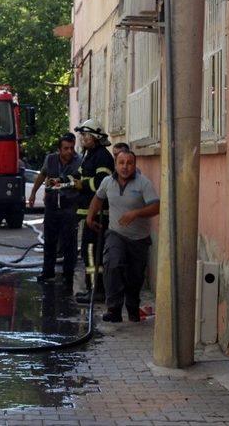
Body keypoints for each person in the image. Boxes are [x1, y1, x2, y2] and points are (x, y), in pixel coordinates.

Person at [86, 150, 159, 322]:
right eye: (121, 163)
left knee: (135, 276)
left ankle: (132, 305)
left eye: (129, 163)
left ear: (134, 165)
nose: (125, 166)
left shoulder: (143, 183)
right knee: (112, 263)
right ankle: (114, 308)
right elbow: (98, 198)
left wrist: (136, 213)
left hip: (138, 239)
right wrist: (90, 217)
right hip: (115, 233)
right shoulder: (107, 182)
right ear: (116, 165)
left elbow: (156, 207)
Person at [28, 133, 81, 285]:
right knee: (50, 241)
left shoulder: (79, 162)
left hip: (69, 206)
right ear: (59, 149)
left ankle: (67, 275)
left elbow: (80, 182)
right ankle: (47, 272)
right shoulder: (50, 159)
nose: (69, 151)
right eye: (66, 148)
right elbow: (42, 175)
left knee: (69, 243)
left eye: (71, 148)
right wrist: (33, 194)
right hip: (52, 205)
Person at [73, 119, 115, 303]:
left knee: (93, 251)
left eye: (85, 135)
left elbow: (101, 183)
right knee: (88, 252)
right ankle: (92, 288)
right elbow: (78, 175)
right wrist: (62, 180)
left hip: (98, 213)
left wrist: (83, 184)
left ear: (95, 136)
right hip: (86, 211)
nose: (82, 138)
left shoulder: (102, 156)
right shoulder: (89, 155)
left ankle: (97, 290)